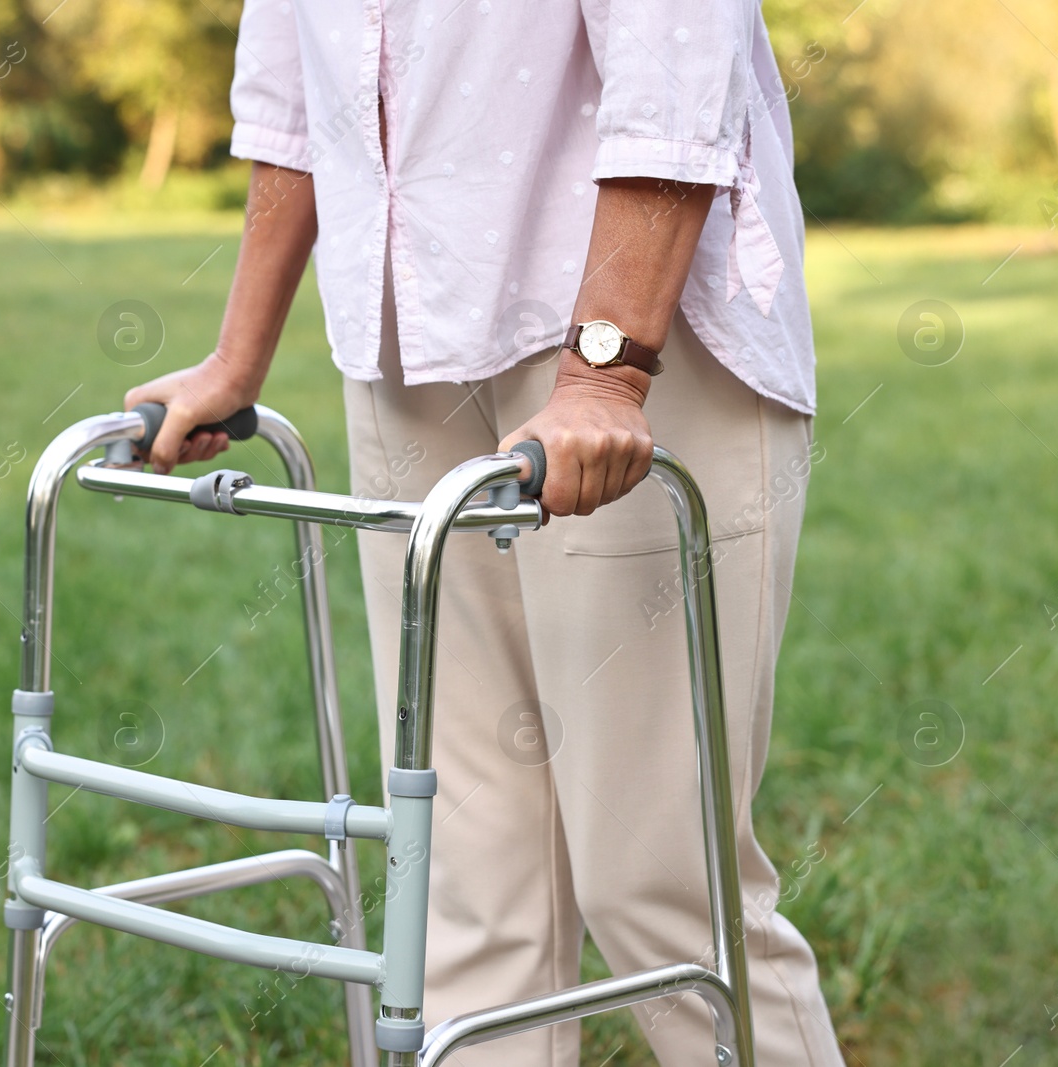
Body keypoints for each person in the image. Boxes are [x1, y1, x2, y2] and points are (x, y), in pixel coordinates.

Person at [126, 2, 845, 1063]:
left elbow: (675, 69)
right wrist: (239, 353)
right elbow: (291, 92)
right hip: (407, 336)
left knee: (663, 885)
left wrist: (604, 371)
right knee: (467, 877)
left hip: (634, 351)